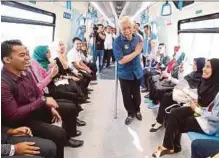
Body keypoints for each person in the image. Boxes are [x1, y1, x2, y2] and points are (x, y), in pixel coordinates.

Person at [1, 40, 83, 158]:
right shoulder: (4, 84)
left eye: (27, 54)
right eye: (22, 55)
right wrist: (43, 101)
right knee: (57, 135)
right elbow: (14, 115)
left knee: (69, 107)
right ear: (7, 60)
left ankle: (68, 134)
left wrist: (47, 105)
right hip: (22, 120)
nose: (27, 58)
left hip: (36, 109)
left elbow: (37, 92)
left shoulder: (25, 73)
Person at [152, 58, 219, 158]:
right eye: (204, 66)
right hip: (200, 111)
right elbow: (202, 98)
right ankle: (170, 146)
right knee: (173, 113)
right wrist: (195, 100)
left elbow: (216, 117)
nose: (204, 69)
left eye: (208, 67)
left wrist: (197, 109)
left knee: (176, 122)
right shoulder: (205, 82)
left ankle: (172, 146)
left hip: (208, 123)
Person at [150, 57, 206, 132]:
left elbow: (197, 95)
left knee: (167, 96)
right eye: (193, 64)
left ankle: (165, 122)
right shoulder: (192, 74)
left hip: (191, 100)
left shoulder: (203, 79)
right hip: (183, 93)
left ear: (200, 65)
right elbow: (181, 81)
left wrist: (184, 88)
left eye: (195, 64)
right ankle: (159, 121)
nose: (193, 65)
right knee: (167, 96)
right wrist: (180, 71)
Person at [113, 16, 143, 125]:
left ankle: (137, 110)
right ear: (120, 29)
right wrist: (136, 52)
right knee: (126, 95)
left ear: (133, 27)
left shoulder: (138, 38)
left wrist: (139, 49)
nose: (127, 31)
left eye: (129, 27)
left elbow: (141, 48)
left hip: (137, 72)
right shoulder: (117, 42)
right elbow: (121, 60)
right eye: (123, 28)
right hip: (124, 74)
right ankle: (130, 113)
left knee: (136, 94)